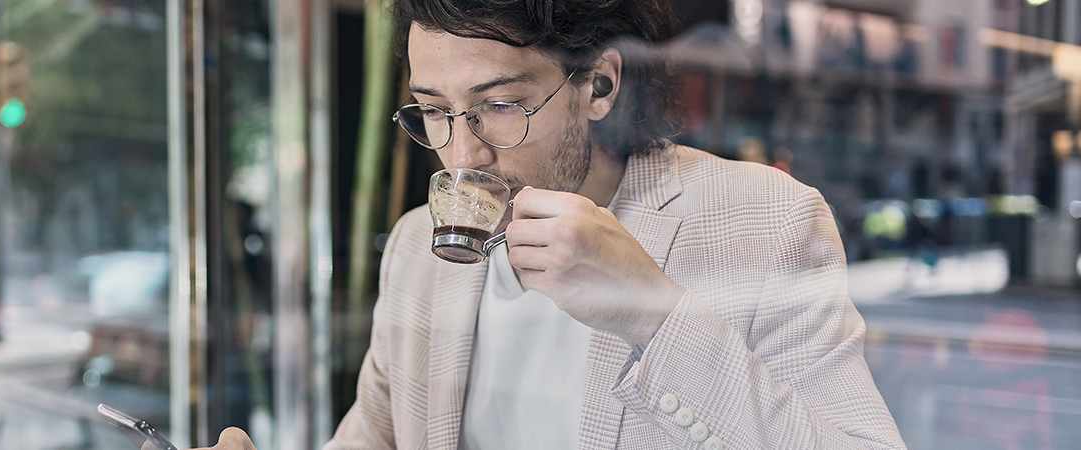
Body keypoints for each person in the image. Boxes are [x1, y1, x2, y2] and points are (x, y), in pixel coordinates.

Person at [202, 0, 905, 448]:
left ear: (598, 83)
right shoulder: (419, 247)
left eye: (500, 104)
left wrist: (657, 318)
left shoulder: (766, 220)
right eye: (434, 111)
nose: (463, 153)